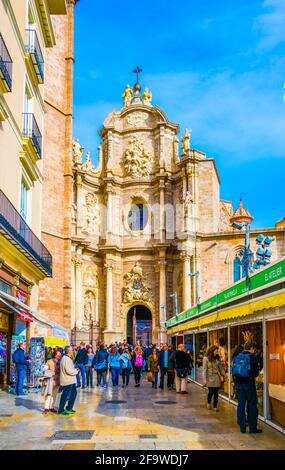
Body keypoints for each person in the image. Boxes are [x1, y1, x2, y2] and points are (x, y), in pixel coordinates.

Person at [232, 341, 261, 434]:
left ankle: (242, 427)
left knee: (241, 404)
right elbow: (256, 373)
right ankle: (252, 428)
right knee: (252, 405)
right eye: (254, 349)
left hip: (238, 384)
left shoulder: (237, 356)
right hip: (249, 384)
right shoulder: (252, 357)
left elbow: (234, 371)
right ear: (252, 348)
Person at [203, 345, 225, 412]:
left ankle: (215, 406)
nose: (217, 352)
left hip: (216, 377)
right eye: (216, 351)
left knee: (216, 393)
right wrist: (204, 379)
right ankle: (209, 402)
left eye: (217, 351)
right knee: (211, 392)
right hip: (209, 377)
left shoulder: (217, 358)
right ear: (212, 351)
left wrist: (224, 374)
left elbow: (220, 368)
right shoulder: (206, 358)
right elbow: (204, 369)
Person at [58, 346, 79, 416]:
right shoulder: (65, 359)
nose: (73, 351)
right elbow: (69, 371)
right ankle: (61, 409)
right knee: (65, 395)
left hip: (71, 380)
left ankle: (69, 408)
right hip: (67, 381)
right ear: (69, 351)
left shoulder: (68, 358)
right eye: (72, 350)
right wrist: (76, 371)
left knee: (74, 393)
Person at [42, 348, 61, 414]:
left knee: (54, 395)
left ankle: (51, 407)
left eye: (60, 354)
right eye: (58, 354)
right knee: (48, 394)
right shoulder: (49, 361)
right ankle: (46, 408)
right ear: (55, 355)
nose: (60, 356)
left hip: (58, 380)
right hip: (50, 380)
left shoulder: (60, 362)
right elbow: (44, 369)